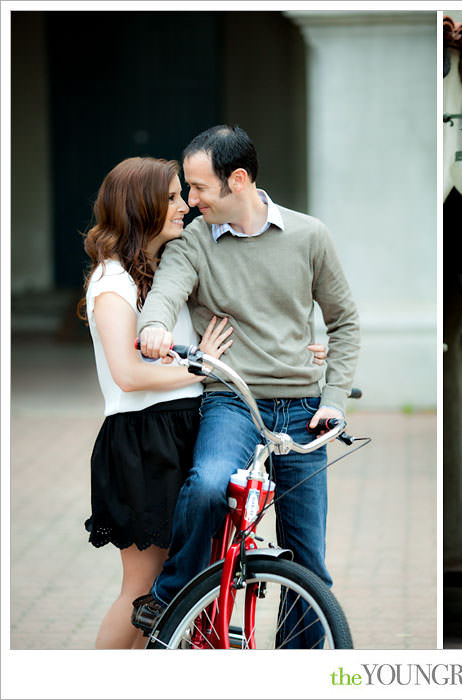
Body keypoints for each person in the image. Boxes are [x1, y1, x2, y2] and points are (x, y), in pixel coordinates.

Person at [132, 125, 360, 645]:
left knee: (310, 563)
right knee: (210, 485)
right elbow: (166, 294)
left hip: (303, 409)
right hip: (232, 402)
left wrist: (335, 400)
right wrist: (153, 326)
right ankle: (171, 599)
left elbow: (345, 321)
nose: (189, 202)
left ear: (237, 181)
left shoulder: (309, 236)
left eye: (198, 188)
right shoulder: (193, 243)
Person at [77, 157, 235, 648]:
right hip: (142, 439)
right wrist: (196, 366)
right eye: (169, 197)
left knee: (172, 589)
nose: (183, 205)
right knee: (142, 590)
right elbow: (127, 374)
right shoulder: (112, 281)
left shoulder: (162, 270)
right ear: (139, 207)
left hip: (181, 429)